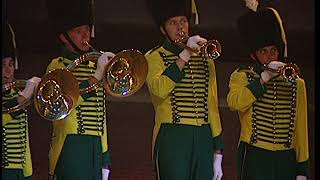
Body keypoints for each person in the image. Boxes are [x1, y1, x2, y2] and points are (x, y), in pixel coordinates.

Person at [227, 4, 309, 180]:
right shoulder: (242, 77)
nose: (270, 56)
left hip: (286, 157)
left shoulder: (297, 83)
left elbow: (301, 128)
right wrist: (263, 79)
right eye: (263, 52)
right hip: (255, 155)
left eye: (273, 50)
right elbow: (234, 103)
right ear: (253, 56)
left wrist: (302, 168)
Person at [145, 0, 224, 179]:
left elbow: (211, 104)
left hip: (203, 136)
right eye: (173, 22)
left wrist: (217, 148)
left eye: (183, 21)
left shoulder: (205, 57)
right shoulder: (153, 57)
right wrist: (185, 55)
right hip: (173, 136)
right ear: (162, 29)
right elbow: (159, 89)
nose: (180, 27)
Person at [45, 0, 113, 179]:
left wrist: (104, 154)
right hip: (70, 146)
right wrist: (96, 77)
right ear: (63, 37)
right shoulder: (57, 66)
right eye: (78, 31)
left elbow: (101, 115)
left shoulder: (95, 65)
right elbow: (62, 103)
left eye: (86, 29)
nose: (85, 36)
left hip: (97, 145)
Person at [2, 21, 41, 180]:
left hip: (20, 171)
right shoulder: (20, 96)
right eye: (2, 65)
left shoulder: (17, 93)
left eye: (10, 64)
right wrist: (24, 96)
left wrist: (27, 174)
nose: (8, 70)